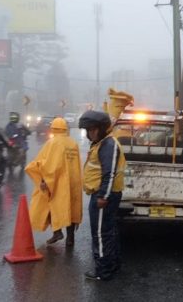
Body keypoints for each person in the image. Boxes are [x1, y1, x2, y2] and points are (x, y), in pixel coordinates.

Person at [79, 110, 126, 281]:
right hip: (104, 195)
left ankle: (103, 270)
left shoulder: (108, 145)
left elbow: (109, 173)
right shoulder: (101, 143)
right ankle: (113, 264)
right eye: (88, 130)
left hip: (104, 196)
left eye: (92, 129)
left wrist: (102, 197)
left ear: (102, 129)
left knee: (100, 234)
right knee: (109, 231)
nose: (89, 133)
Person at [25, 118, 83, 246]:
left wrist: (44, 180)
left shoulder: (53, 143)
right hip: (74, 181)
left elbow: (50, 165)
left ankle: (57, 232)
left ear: (53, 128)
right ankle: (70, 238)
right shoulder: (73, 143)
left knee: (53, 204)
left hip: (59, 181)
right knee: (71, 207)